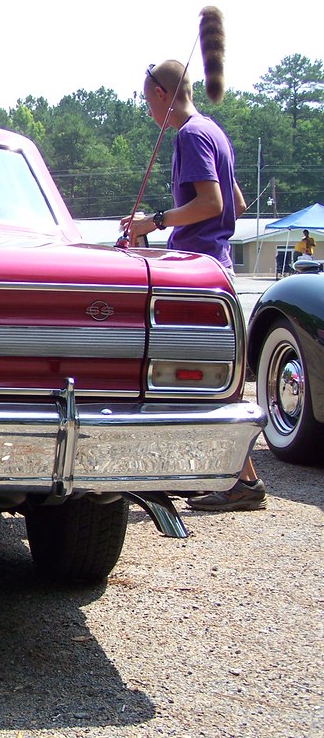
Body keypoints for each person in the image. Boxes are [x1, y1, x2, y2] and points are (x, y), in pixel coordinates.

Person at [121, 59, 266, 512]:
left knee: (180, 371)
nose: (149, 112)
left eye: (148, 102)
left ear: (163, 95)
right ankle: (240, 479)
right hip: (219, 262)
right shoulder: (215, 131)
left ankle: (237, 481)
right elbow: (236, 204)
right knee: (210, 375)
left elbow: (213, 201)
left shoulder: (188, 135)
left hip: (197, 271)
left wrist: (155, 220)